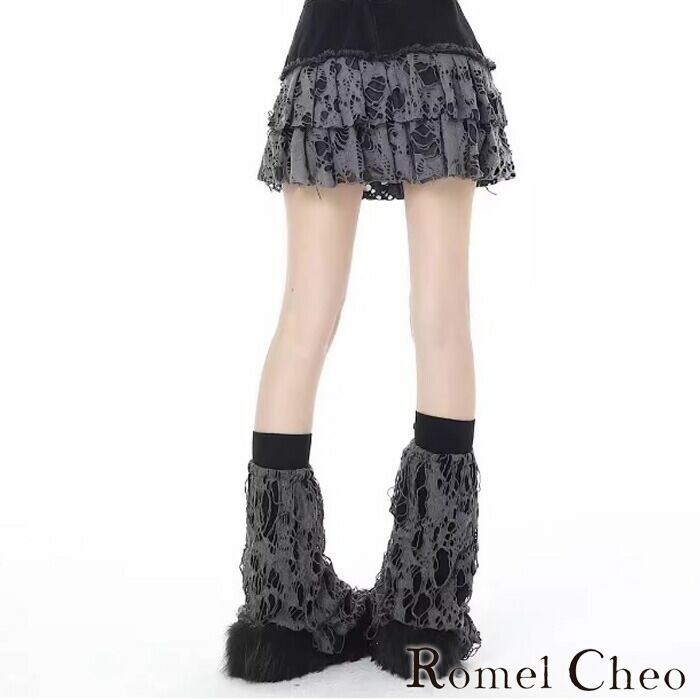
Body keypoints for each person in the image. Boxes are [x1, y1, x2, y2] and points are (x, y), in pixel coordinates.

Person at [225, 0, 514, 682]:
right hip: (435, 61)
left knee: (303, 321)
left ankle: (280, 622)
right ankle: (424, 615)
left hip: (325, 61)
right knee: (441, 319)